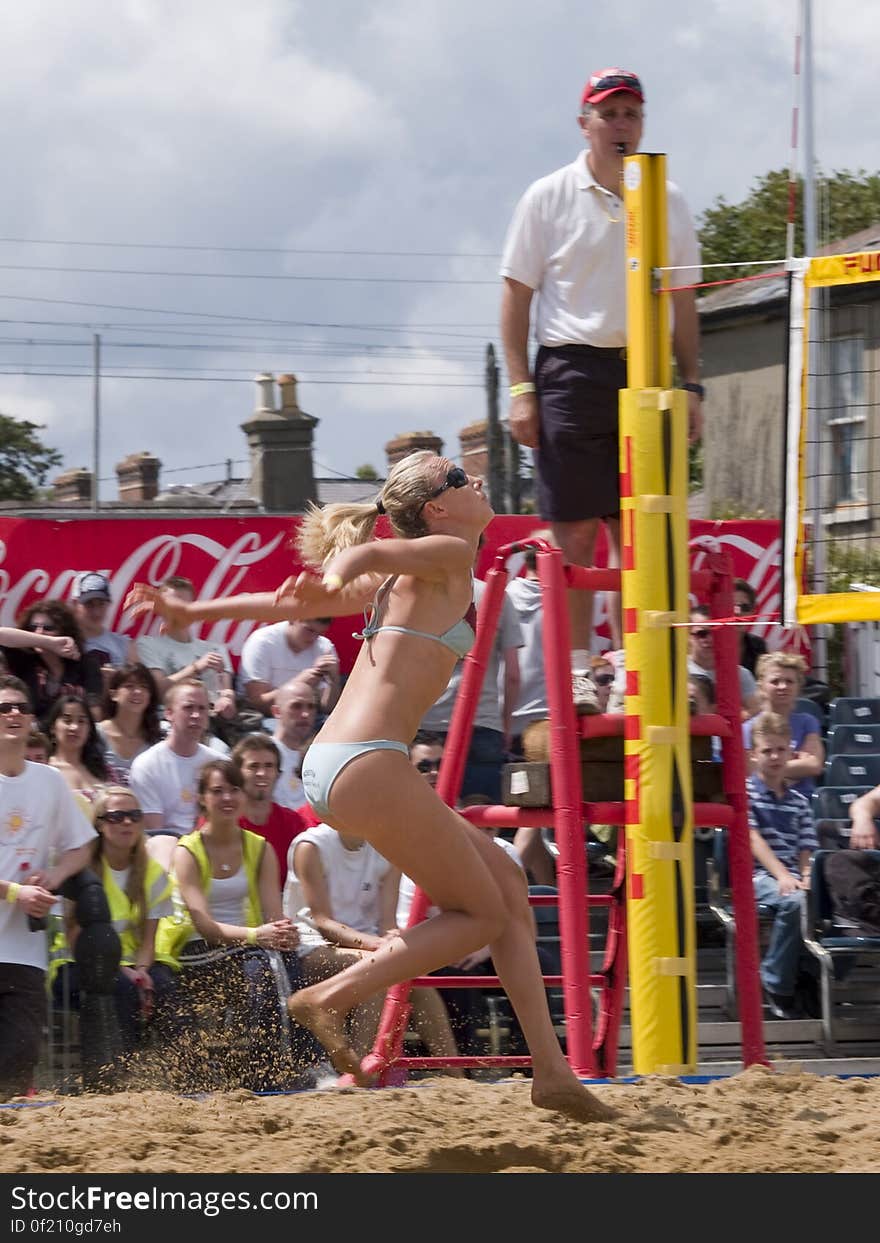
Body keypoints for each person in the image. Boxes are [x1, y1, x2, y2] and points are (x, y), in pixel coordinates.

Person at [127, 449, 612, 1121]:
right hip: (368, 763)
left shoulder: (422, 568)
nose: (474, 479)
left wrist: (193, 612)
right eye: (456, 477)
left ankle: (552, 1071)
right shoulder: (441, 553)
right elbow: (355, 567)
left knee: (505, 889)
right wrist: (351, 559)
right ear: (438, 508)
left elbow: (297, 598)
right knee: (484, 913)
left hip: (344, 761)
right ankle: (331, 996)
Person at [500, 68, 702, 671]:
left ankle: (644, 661)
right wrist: (521, 388)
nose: (621, 126)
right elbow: (516, 296)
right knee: (576, 532)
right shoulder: (548, 195)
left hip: (644, 371)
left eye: (631, 115)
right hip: (570, 369)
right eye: (609, 114)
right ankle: (581, 667)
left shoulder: (667, 198)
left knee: (641, 527)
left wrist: (691, 384)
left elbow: (685, 303)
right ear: (584, 123)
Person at [155, 759, 316, 1091]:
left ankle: (292, 1063)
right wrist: (259, 935)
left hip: (248, 947)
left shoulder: (259, 848)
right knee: (267, 969)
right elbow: (204, 925)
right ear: (202, 799)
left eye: (233, 790)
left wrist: (282, 932)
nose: (227, 798)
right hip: (197, 951)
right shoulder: (188, 850)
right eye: (217, 791)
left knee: (286, 960)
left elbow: (273, 911)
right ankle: (265, 1069)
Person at [0, 675, 96, 1098]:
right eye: (4, 708)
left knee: (18, 1054)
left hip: (24, 947)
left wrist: (53, 878)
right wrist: (15, 892)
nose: (14, 713)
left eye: (21, 706)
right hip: (16, 916)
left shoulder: (51, 782)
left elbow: (82, 846)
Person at [50, 786, 177, 1056]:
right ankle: (118, 1074)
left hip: (133, 962)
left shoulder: (152, 873)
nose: (127, 822)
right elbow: (74, 938)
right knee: (119, 987)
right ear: (99, 825)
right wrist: (122, 971)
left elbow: (148, 940)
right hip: (79, 963)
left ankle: (172, 1071)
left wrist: (142, 972)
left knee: (165, 986)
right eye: (117, 816)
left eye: (134, 815)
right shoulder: (80, 871)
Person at [746, 711, 818, 1020]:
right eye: (767, 750)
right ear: (754, 755)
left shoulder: (799, 801)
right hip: (758, 876)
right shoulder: (746, 795)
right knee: (795, 902)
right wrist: (783, 876)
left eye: (780, 749)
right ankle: (776, 981)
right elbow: (752, 839)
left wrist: (805, 875)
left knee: (820, 902)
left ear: (791, 751)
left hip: (789, 876)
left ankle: (810, 977)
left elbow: (806, 846)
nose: (775, 756)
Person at [128, 679, 219, 872]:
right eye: (188, 708)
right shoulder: (147, 765)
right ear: (169, 713)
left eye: (202, 709)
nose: (196, 715)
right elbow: (155, 832)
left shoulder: (218, 763)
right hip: (166, 853)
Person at [132, 575, 239, 734]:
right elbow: (158, 692)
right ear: (161, 608)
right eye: (171, 605)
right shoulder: (148, 644)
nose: (178, 611)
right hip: (173, 723)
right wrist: (196, 667)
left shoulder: (216, 649)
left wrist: (227, 700)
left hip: (215, 723)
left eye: (184, 605)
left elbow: (226, 690)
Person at [231, 732, 308, 888]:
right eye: (253, 766)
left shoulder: (293, 823)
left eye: (269, 766)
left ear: (278, 774)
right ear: (237, 774)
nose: (262, 774)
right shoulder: (222, 821)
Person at [742, 652, 824, 797]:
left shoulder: (807, 722)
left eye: (789, 681)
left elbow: (814, 765)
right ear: (761, 686)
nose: (783, 686)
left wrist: (768, 767)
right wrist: (795, 766)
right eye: (775, 681)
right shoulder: (747, 729)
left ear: (798, 686)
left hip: (804, 800)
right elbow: (748, 768)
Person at [0, 603, 87, 727]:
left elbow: (95, 713)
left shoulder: (85, 664)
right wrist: (48, 642)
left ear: (64, 631)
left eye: (48, 627)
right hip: (33, 740)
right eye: (33, 627)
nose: (39, 632)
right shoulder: (23, 660)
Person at [238, 616, 340, 717]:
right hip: (263, 717)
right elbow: (257, 704)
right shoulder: (262, 642)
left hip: (308, 717)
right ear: (292, 618)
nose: (313, 638)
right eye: (309, 630)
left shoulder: (325, 647)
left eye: (320, 633)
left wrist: (333, 680)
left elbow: (327, 709)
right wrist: (300, 682)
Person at [71, 572, 134, 715]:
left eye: (101, 604)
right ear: (75, 604)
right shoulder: (61, 641)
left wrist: (118, 679)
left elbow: (143, 687)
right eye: (89, 605)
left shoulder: (124, 645)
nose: (96, 612)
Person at [688, 605, 760, 721]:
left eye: (715, 632)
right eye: (702, 633)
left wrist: (724, 721)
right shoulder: (677, 671)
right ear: (688, 636)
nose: (710, 639)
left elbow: (756, 710)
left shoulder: (740, 674)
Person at [96, 663, 164, 786]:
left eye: (144, 687)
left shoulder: (158, 738)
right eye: (129, 686)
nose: (138, 691)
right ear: (113, 694)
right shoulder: (95, 734)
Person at [46, 693, 110, 805]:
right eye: (67, 720)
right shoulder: (44, 768)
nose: (74, 727)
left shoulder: (103, 770)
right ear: (53, 727)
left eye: (81, 721)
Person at [268, 677, 318, 810]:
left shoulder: (318, 756)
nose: (305, 714)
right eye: (296, 706)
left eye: (311, 707)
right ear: (277, 711)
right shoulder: (264, 755)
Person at [732, 579, 768, 677]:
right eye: (731, 606)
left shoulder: (758, 646)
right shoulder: (708, 642)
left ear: (753, 612)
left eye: (745, 607)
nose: (738, 612)